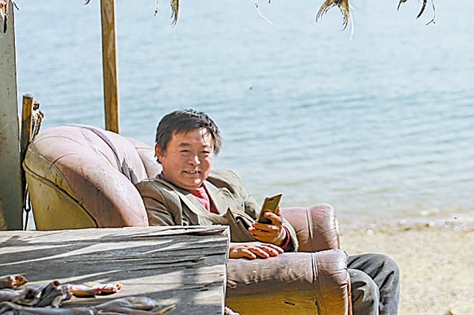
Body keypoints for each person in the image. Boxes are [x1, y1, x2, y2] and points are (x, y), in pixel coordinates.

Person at [136, 109, 400, 315]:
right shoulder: (155, 193)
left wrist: (278, 234)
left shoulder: (225, 182)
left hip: (281, 262)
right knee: (358, 283)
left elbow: (271, 221)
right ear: (160, 152)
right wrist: (230, 249)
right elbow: (167, 247)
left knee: (381, 266)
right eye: (184, 151)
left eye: (204, 152)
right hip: (245, 279)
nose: (195, 162)